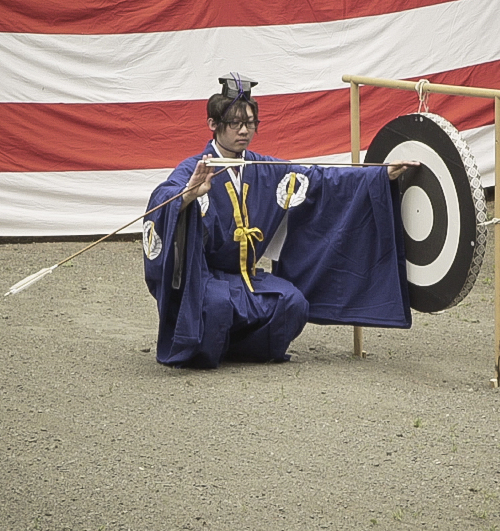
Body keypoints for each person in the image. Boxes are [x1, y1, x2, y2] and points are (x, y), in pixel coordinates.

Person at [142, 73, 417, 368]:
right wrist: (187, 195)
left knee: (292, 304)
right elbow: (163, 198)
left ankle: (238, 348)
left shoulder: (263, 167)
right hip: (208, 277)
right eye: (235, 123)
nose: (244, 131)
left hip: (247, 276)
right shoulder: (196, 168)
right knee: (216, 306)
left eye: (250, 123)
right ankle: (213, 345)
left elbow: (319, 178)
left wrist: (378, 175)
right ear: (213, 124)